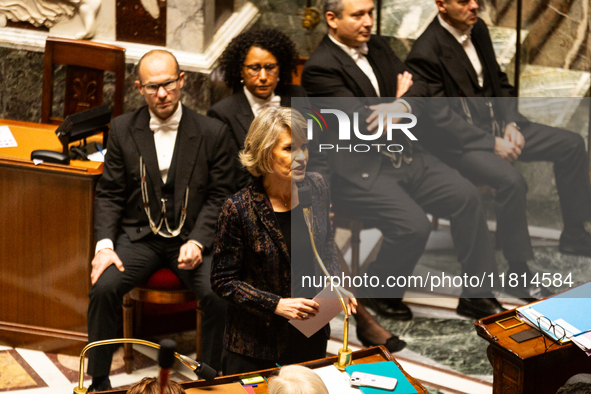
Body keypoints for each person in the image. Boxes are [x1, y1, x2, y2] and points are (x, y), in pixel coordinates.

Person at [301, 0, 505, 320]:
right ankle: (377, 292)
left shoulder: (377, 44)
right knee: (413, 226)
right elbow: (362, 124)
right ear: (332, 19)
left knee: (466, 197)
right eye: (358, 15)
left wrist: (402, 107)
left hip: (407, 156)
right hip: (360, 169)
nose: (368, 21)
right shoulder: (320, 68)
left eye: (369, 12)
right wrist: (399, 100)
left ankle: (476, 296)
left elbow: (421, 86)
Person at [405, 0, 591, 300]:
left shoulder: (477, 28)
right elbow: (440, 121)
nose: (474, 5)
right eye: (463, 1)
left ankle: (574, 234)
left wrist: (511, 123)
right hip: (462, 145)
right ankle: (518, 273)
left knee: (571, 144)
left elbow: (500, 83)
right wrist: (491, 143)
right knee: (511, 181)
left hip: (501, 128)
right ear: (441, 5)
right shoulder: (425, 53)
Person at [87, 50, 234, 391]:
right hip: (141, 237)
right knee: (103, 288)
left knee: (218, 294)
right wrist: (104, 246)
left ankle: (208, 380)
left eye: (168, 84)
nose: (162, 94)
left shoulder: (213, 132)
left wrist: (199, 241)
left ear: (182, 81)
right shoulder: (123, 128)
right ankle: (99, 381)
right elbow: (109, 193)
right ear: (139, 87)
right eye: (153, 87)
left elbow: (221, 196)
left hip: (192, 236)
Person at [211, 107, 359, 375]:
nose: (301, 157)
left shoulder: (316, 186)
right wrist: (276, 304)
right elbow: (223, 281)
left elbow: (326, 244)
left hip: (309, 330)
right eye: (290, 149)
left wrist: (336, 283)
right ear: (266, 154)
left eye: (305, 147)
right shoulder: (239, 208)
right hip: (255, 343)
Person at [207, 28, 328, 189]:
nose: (263, 77)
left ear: (280, 68)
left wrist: (317, 190)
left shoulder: (298, 95)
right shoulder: (222, 113)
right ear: (241, 70)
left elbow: (317, 153)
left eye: (270, 67)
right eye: (255, 68)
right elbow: (234, 176)